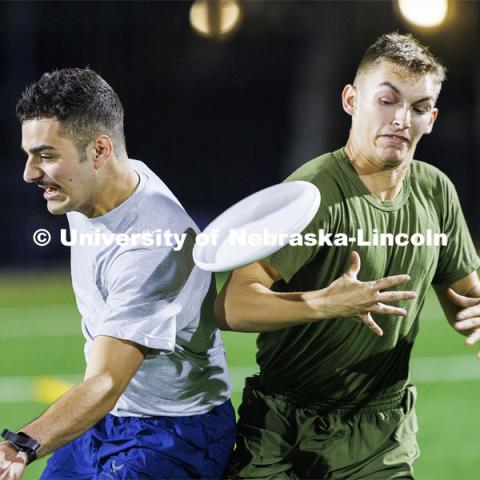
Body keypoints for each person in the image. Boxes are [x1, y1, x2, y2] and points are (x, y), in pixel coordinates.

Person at [216, 32, 480, 479]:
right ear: (351, 100)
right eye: (387, 100)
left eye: (417, 108)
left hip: (380, 432)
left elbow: (467, 301)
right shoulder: (315, 192)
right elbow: (232, 305)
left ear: (431, 119)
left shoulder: (436, 192)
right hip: (282, 428)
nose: (400, 118)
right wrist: (324, 303)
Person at [0, 68, 235, 479]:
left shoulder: (152, 242)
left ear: (100, 151)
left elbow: (107, 380)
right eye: (29, 154)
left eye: (47, 155)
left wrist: (23, 443)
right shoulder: (93, 187)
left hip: (173, 430)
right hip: (108, 417)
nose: (30, 173)